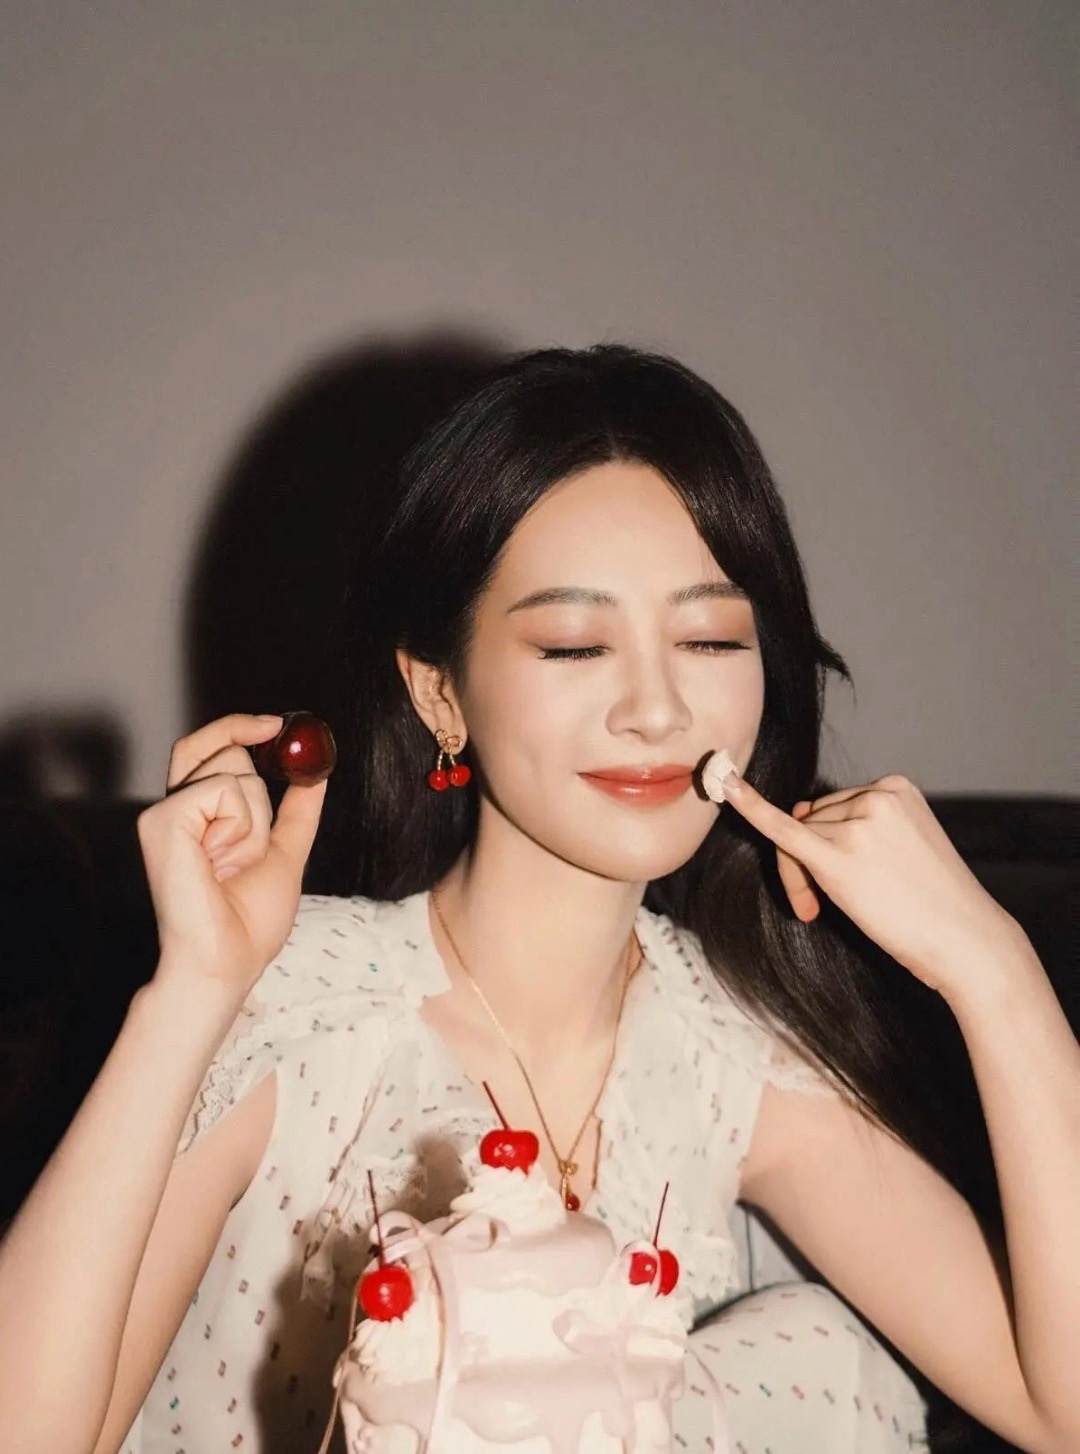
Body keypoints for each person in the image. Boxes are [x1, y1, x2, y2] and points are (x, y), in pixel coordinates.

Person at [0, 344, 1075, 1454]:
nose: (657, 709)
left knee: (818, 1350)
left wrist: (992, 968)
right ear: (439, 692)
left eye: (709, 637)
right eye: (575, 644)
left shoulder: (729, 1056)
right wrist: (194, 991)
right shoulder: (296, 1003)